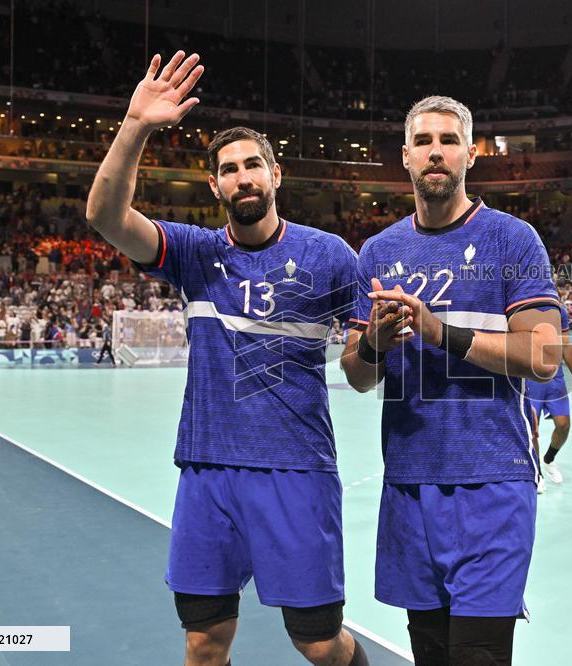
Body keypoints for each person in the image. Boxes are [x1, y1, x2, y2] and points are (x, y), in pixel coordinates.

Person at [85, 51, 368, 666]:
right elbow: (105, 217)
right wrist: (134, 126)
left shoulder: (333, 257)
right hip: (208, 471)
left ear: (275, 174)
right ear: (215, 185)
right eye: (229, 170)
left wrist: (376, 348)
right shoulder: (193, 253)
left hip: (296, 471)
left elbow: (364, 369)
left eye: (252, 166)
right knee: (203, 642)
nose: (242, 177)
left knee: (318, 643)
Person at [341, 95, 562, 665]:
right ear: (406, 158)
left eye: (447, 141)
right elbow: (358, 376)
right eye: (423, 141)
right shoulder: (378, 253)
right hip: (410, 483)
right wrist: (375, 343)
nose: (435, 152)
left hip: (492, 482)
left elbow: (544, 356)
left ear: (469, 155)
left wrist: (443, 334)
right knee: (432, 655)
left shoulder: (512, 241)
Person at [526, 288, 572, 488]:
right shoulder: (522, 307)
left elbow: (566, 346)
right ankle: (537, 473)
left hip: (555, 377)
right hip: (530, 376)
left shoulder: (560, 312)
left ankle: (549, 459)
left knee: (563, 424)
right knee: (533, 429)